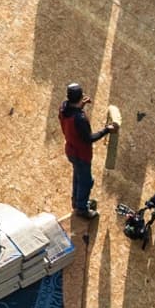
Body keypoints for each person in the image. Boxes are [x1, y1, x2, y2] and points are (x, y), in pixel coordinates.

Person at [57, 81, 116, 220]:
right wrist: (107, 130)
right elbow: (88, 138)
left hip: (70, 150)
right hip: (81, 154)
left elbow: (72, 113)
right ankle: (82, 209)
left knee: (78, 176)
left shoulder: (63, 108)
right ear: (79, 97)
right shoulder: (80, 119)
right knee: (86, 181)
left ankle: (76, 202)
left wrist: (80, 106)